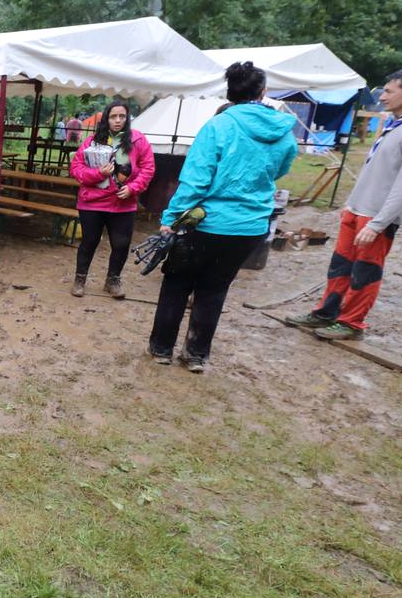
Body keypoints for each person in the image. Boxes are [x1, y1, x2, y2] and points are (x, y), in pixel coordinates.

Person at [147, 62, 297, 372]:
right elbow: (280, 170)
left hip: (207, 223)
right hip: (250, 226)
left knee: (177, 283)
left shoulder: (218, 126)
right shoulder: (284, 132)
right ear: (264, 92)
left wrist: (171, 217)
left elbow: (195, 180)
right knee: (214, 289)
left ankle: (162, 348)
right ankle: (196, 354)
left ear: (228, 92)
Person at [285, 68, 402, 340]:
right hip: (358, 209)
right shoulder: (398, 121)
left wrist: (380, 222)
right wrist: (351, 205)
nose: (382, 97)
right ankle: (325, 313)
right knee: (341, 265)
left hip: (378, 215)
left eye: (390, 91)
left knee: (365, 270)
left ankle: (351, 323)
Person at [68, 99, 155, 298]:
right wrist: (99, 174)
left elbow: (148, 168)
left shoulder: (138, 141)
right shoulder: (92, 141)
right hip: (92, 202)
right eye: (113, 116)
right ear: (106, 118)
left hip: (122, 203)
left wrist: (133, 188)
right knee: (89, 242)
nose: (117, 120)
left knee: (121, 244)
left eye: (122, 116)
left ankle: (112, 280)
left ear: (128, 118)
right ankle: (80, 279)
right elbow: (76, 169)